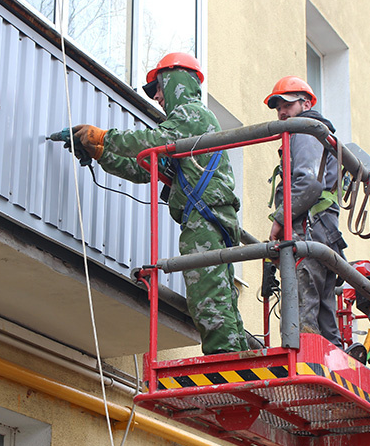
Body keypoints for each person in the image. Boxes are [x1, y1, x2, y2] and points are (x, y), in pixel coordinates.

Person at [70, 53, 248, 355]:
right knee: (216, 290)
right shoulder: (184, 133)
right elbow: (146, 167)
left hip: (204, 219)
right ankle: (234, 352)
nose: (158, 98)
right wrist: (101, 153)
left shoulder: (193, 115)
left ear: (176, 81)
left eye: (159, 87)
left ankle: (225, 359)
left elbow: (149, 141)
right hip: (208, 218)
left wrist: (104, 136)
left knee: (207, 293)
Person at [265, 76, 345, 348]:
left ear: (306, 103)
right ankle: (333, 364)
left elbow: (308, 182)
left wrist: (280, 219)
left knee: (302, 304)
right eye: (278, 109)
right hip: (324, 231)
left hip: (308, 229)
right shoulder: (322, 135)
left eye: (287, 105)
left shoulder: (305, 130)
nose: (282, 113)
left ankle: (302, 364)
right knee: (323, 308)